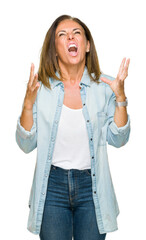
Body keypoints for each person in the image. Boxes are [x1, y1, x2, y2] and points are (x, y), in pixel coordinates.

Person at [15, 15, 130, 240]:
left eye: (77, 32)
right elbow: (26, 145)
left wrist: (120, 98)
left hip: (92, 187)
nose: (70, 36)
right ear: (55, 49)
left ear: (86, 45)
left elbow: (118, 139)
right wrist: (28, 104)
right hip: (52, 187)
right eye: (62, 34)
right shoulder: (40, 88)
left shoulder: (105, 86)